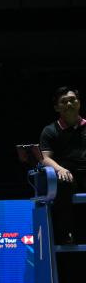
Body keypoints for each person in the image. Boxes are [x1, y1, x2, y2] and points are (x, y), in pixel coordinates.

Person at [39, 86, 86, 244]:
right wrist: (59, 169)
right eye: (64, 101)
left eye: (73, 100)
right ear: (57, 107)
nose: (69, 104)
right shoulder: (50, 131)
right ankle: (66, 232)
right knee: (63, 183)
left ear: (79, 103)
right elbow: (44, 158)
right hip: (67, 173)